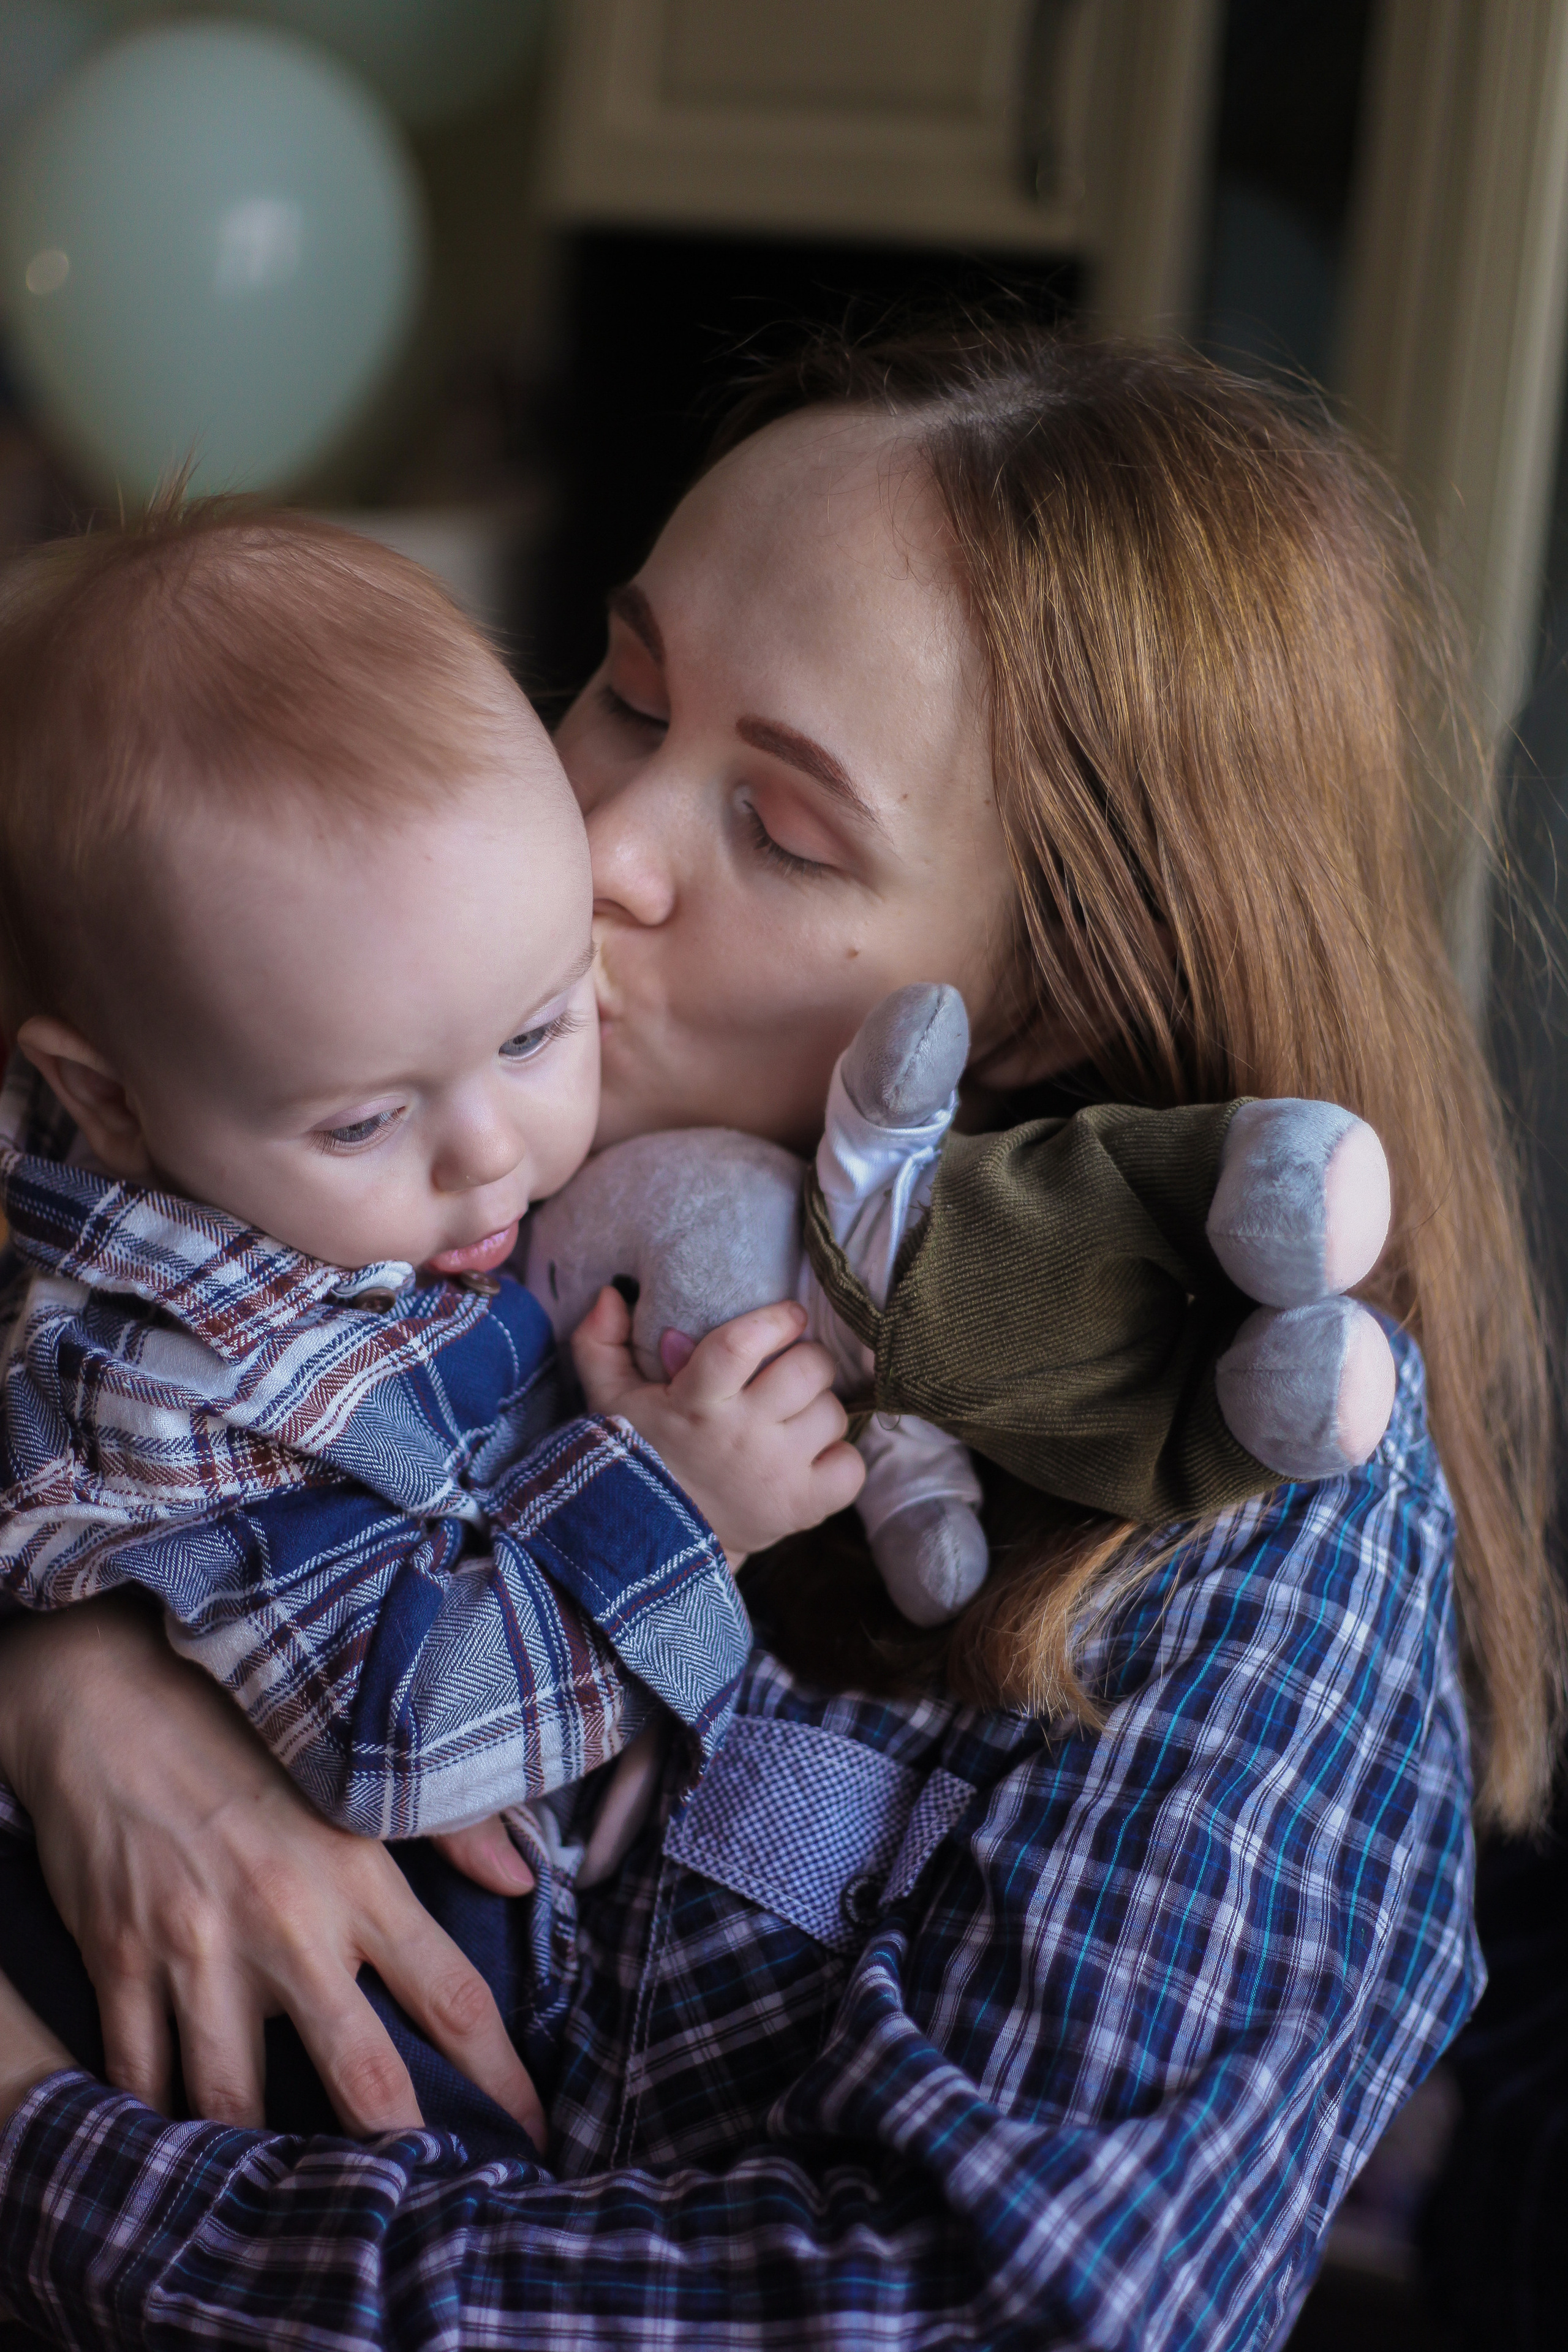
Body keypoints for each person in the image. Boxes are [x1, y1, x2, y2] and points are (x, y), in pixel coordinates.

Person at [0, 325, 1559, 2348]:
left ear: (1042, 1008)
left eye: (785, 830)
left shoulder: (1256, 1520)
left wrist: (38, 2148)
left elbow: (963, 2317)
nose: (601, 853)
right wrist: (73, 1665)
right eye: (623, 691)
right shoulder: (372, 1134)